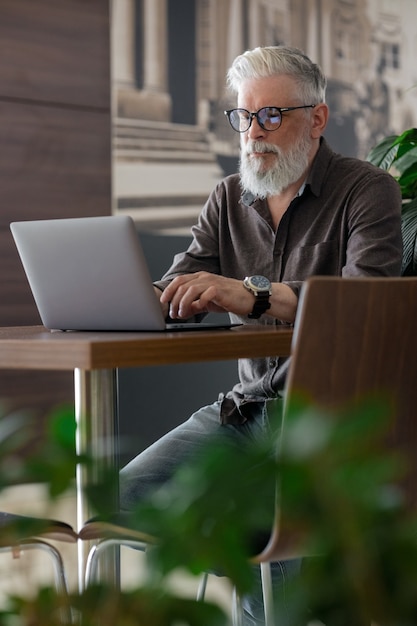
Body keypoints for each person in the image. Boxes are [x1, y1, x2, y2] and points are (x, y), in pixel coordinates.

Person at [120, 45, 403, 625]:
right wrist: (146, 296)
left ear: (317, 118)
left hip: (324, 422)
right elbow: (182, 279)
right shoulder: (228, 196)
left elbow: (363, 305)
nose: (253, 132)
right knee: (123, 498)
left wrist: (248, 294)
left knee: (275, 558)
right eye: (244, 117)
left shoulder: (368, 191)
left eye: (272, 116)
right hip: (242, 412)